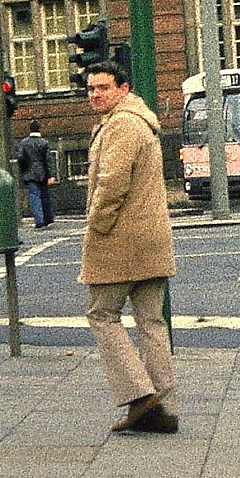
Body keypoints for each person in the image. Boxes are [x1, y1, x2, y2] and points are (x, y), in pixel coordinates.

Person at [79, 60, 179, 434]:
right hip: (151, 241)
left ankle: (141, 396)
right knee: (151, 322)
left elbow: (112, 183)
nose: (95, 95)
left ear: (123, 89)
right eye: (90, 89)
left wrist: (96, 226)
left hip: (121, 240)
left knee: (102, 314)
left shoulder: (122, 124)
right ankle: (164, 409)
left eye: (103, 88)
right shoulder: (142, 121)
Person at [16, 120, 56, 228]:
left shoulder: (24, 143)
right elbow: (48, 160)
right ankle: (48, 218)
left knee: (34, 196)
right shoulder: (44, 142)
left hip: (29, 172)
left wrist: (24, 169)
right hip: (43, 172)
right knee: (45, 196)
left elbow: (20, 157)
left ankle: (39, 220)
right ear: (39, 129)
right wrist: (51, 175)